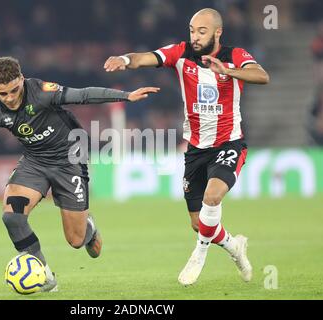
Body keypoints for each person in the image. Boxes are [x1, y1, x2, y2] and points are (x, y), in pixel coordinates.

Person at [104, 8, 269, 286]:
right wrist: (123, 59)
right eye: (192, 30)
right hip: (195, 149)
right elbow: (146, 58)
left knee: (212, 197)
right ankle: (234, 247)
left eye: (202, 32)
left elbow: (262, 76)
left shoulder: (235, 56)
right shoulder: (181, 54)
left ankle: (199, 253)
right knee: (199, 223)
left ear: (218, 32)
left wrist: (227, 70)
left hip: (228, 142)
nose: (195, 36)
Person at [0, 56, 159, 292]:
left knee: (76, 241)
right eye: (2, 94)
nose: (9, 98)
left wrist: (126, 96)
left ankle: (88, 228)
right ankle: (46, 276)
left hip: (69, 159)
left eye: (13, 90)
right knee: (12, 216)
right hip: (34, 162)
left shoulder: (41, 91)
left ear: (21, 78)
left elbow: (83, 95)